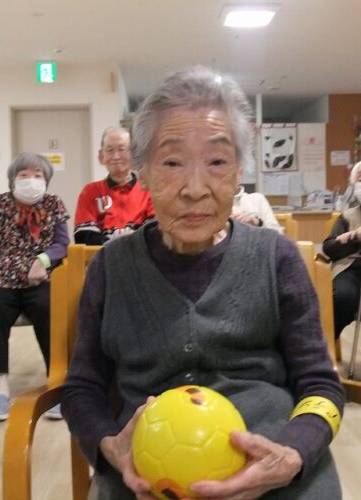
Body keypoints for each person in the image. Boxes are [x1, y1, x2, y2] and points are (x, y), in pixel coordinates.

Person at [62, 67, 344, 499]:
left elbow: (321, 385)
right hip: (146, 479)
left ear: (238, 172)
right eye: (173, 163)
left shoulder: (277, 258)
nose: (195, 188)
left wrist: (292, 454)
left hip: (275, 473)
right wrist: (109, 447)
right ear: (143, 173)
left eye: (217, 162)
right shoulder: (110, 268)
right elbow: (82, 387)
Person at [0, 152, 69, 422]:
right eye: (24, 175)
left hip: (40, 277)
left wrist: (42, 260)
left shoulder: (54, 204)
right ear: (13, 180)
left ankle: (57, 382)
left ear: (46, 180)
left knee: (48, 307)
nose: (31, 179)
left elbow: (61, 243)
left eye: (38, 175)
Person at [74, 126, 154, 245]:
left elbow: (155, 232)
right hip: (101, 255)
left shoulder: (149, 189)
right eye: (110, 150)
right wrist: (114, 243)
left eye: (122, 149)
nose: (116, 156)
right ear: (101, 156)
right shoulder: (90, 192)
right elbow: (83, 236)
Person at [323, 160, 361, 339]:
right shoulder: (347, 216)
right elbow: (329, 248)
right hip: (351, 269)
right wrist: (354, 236)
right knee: (344, 297)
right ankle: (328, 344)